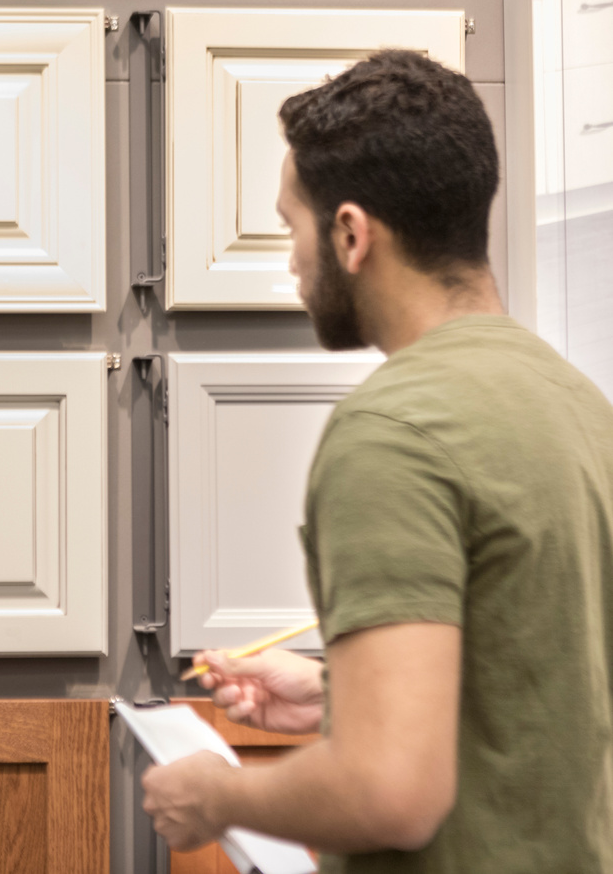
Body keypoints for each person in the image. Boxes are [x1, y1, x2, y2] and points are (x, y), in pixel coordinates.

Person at [141, 50, 613, 872]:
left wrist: (216, 798)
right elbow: (546, 694)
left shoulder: (392, 432)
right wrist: (340, 700)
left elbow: (388, 790)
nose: (291, 261)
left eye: (293, 227)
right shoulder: (576, 403)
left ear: (352, 234)